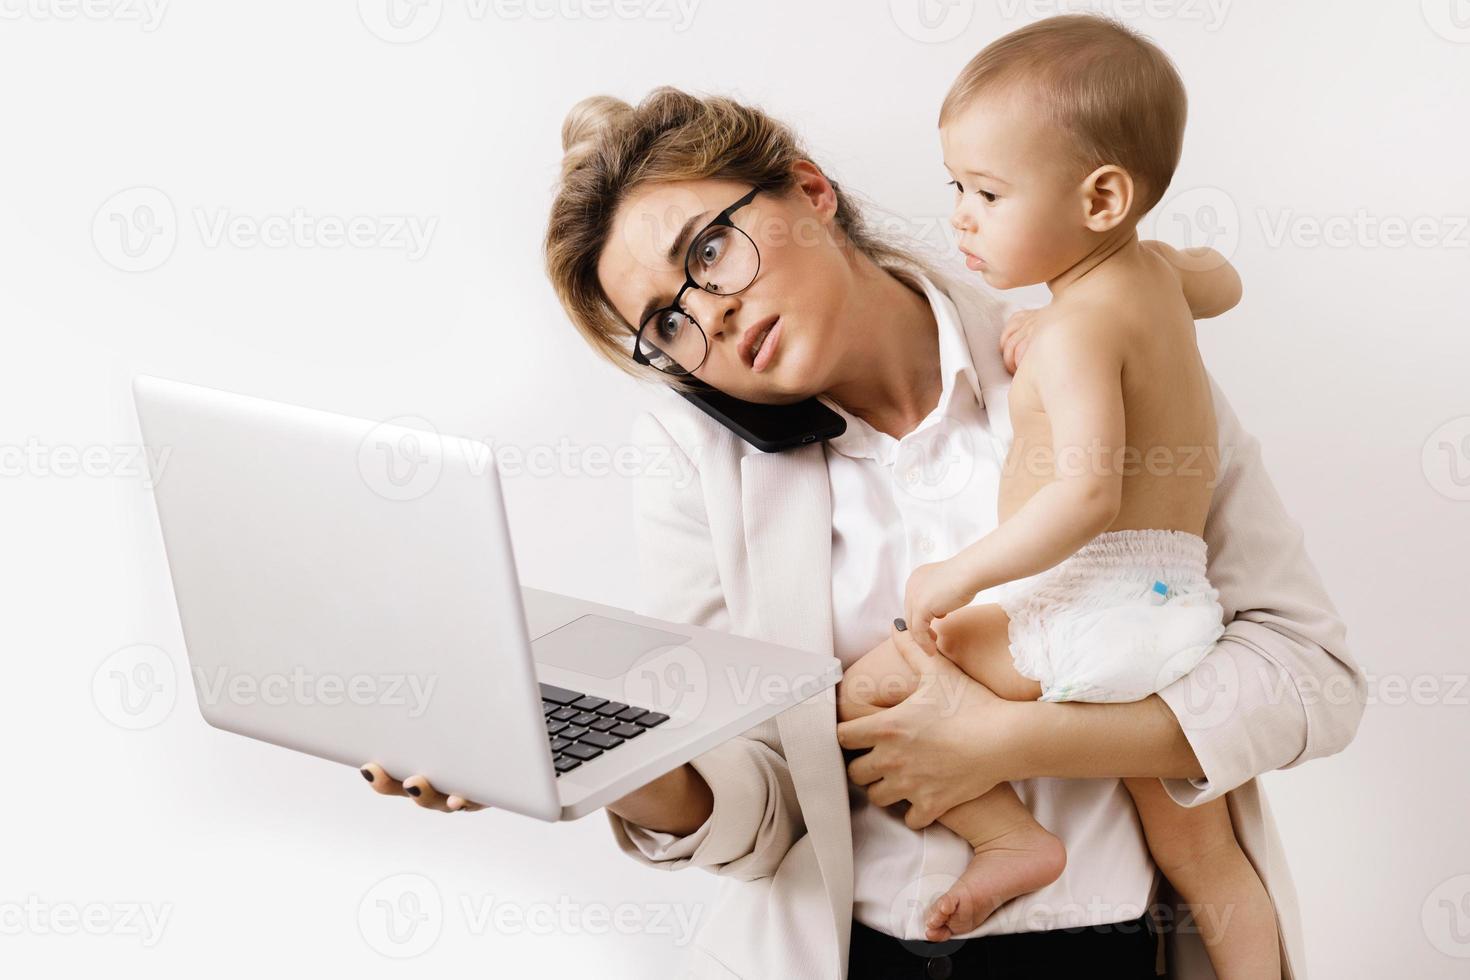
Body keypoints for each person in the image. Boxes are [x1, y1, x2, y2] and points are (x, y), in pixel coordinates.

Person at [361, 84, 1364, 979]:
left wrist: (1014, 738)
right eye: (665, 323)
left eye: (709, 250)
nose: (709, 316)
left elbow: (1310, 675)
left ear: (808, 189)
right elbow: (756, 795)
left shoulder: (1087, 344)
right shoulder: (697, 461)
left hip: (1116, 949)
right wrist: (580, 753)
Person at [835, 16, 1274, 977]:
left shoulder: (1074, 338)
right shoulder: (1154, 275)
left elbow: (1083, 496)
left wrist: (961, 572)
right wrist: (1079, 296)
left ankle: (1011, 842)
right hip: (1176, 610)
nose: (960, 216)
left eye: (988, 192)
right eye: (958, 187)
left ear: (1103, 196)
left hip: (1087, 605)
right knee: (1207, 859)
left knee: (875, 687)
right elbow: (1225, 279)